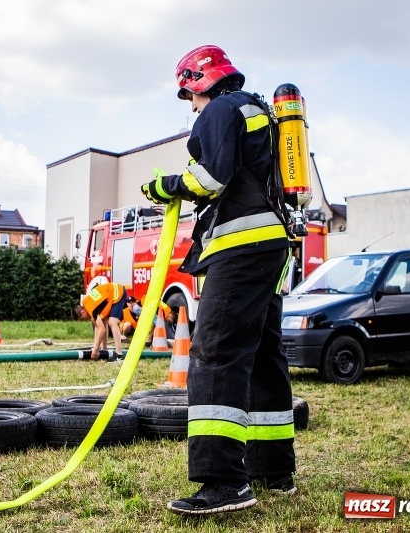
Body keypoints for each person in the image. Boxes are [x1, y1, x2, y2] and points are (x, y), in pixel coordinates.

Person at [141, 44, 297, 516]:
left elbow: (210, 178)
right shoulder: (260, 111)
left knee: (215, 353)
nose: (190, 106)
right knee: (265, 355)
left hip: (238, 248)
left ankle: (224, 483)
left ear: (202, 81)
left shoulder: (221, 110)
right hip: (273, 248)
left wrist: (162, 187)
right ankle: (273, 470)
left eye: (190, 94)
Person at [72, 282, 128, 362]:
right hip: (112, 294)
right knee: (104, 320)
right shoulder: (87, 305)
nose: (84, 320)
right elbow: (98, 328)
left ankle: (119, 355)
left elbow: (102, 330)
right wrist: (98, 348)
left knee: (112, 321)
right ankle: (104, 350)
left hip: (117, 292)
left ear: (82, 312)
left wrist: (95, 349)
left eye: (82, 318)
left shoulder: (91, 308)